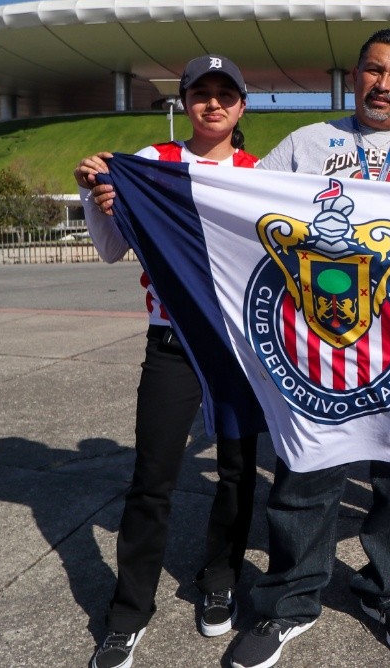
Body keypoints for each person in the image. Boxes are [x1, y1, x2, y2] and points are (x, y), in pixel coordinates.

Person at [227, 29, 390, 668]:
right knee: (306, 475)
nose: (383, 84)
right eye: (373, 71)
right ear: (354, 76)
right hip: (317, 351)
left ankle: (387, 590)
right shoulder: (307, 144)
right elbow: (239, 213)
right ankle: (290, 599)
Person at [74, 54, 264, 668]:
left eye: (224, 93)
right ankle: (128, 613)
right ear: (184, 103)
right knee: (152, 480)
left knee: (237, 474)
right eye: (200, 93)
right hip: (172, 344)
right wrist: (92, 196)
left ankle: (220, 581)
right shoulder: (153, 163)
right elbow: (109, 251)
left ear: (241, 105)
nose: (212, 104)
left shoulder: (261, 174)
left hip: (240, 349)